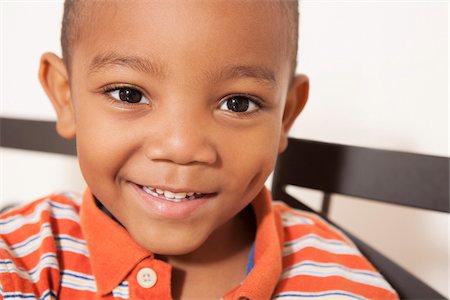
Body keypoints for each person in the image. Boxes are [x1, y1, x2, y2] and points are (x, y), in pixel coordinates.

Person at [0, 1, 398, 299]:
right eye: (129, 94)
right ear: (65, 98)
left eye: (238, 103)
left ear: (286, 115)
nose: (182, 147)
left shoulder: (341, 283)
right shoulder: (21, 257)